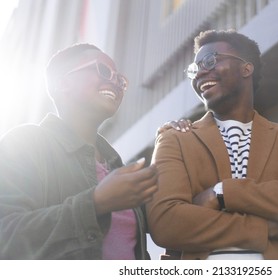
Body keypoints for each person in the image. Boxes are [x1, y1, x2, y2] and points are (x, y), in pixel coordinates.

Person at [146, 30, 278, 260]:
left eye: (210, 61)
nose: (200, 74)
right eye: (194, 69)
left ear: (246, 68)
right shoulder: (174, 138)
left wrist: (223, 193)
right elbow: (166, 223)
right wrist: (265, 229)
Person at [0, 43, 189, 259]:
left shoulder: (117, 166)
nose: (115, 83)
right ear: (63, 83)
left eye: (120, 80)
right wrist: (96, 203)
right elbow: (5, 235)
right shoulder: (25, 143)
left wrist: (177, 141)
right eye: (104, 71)